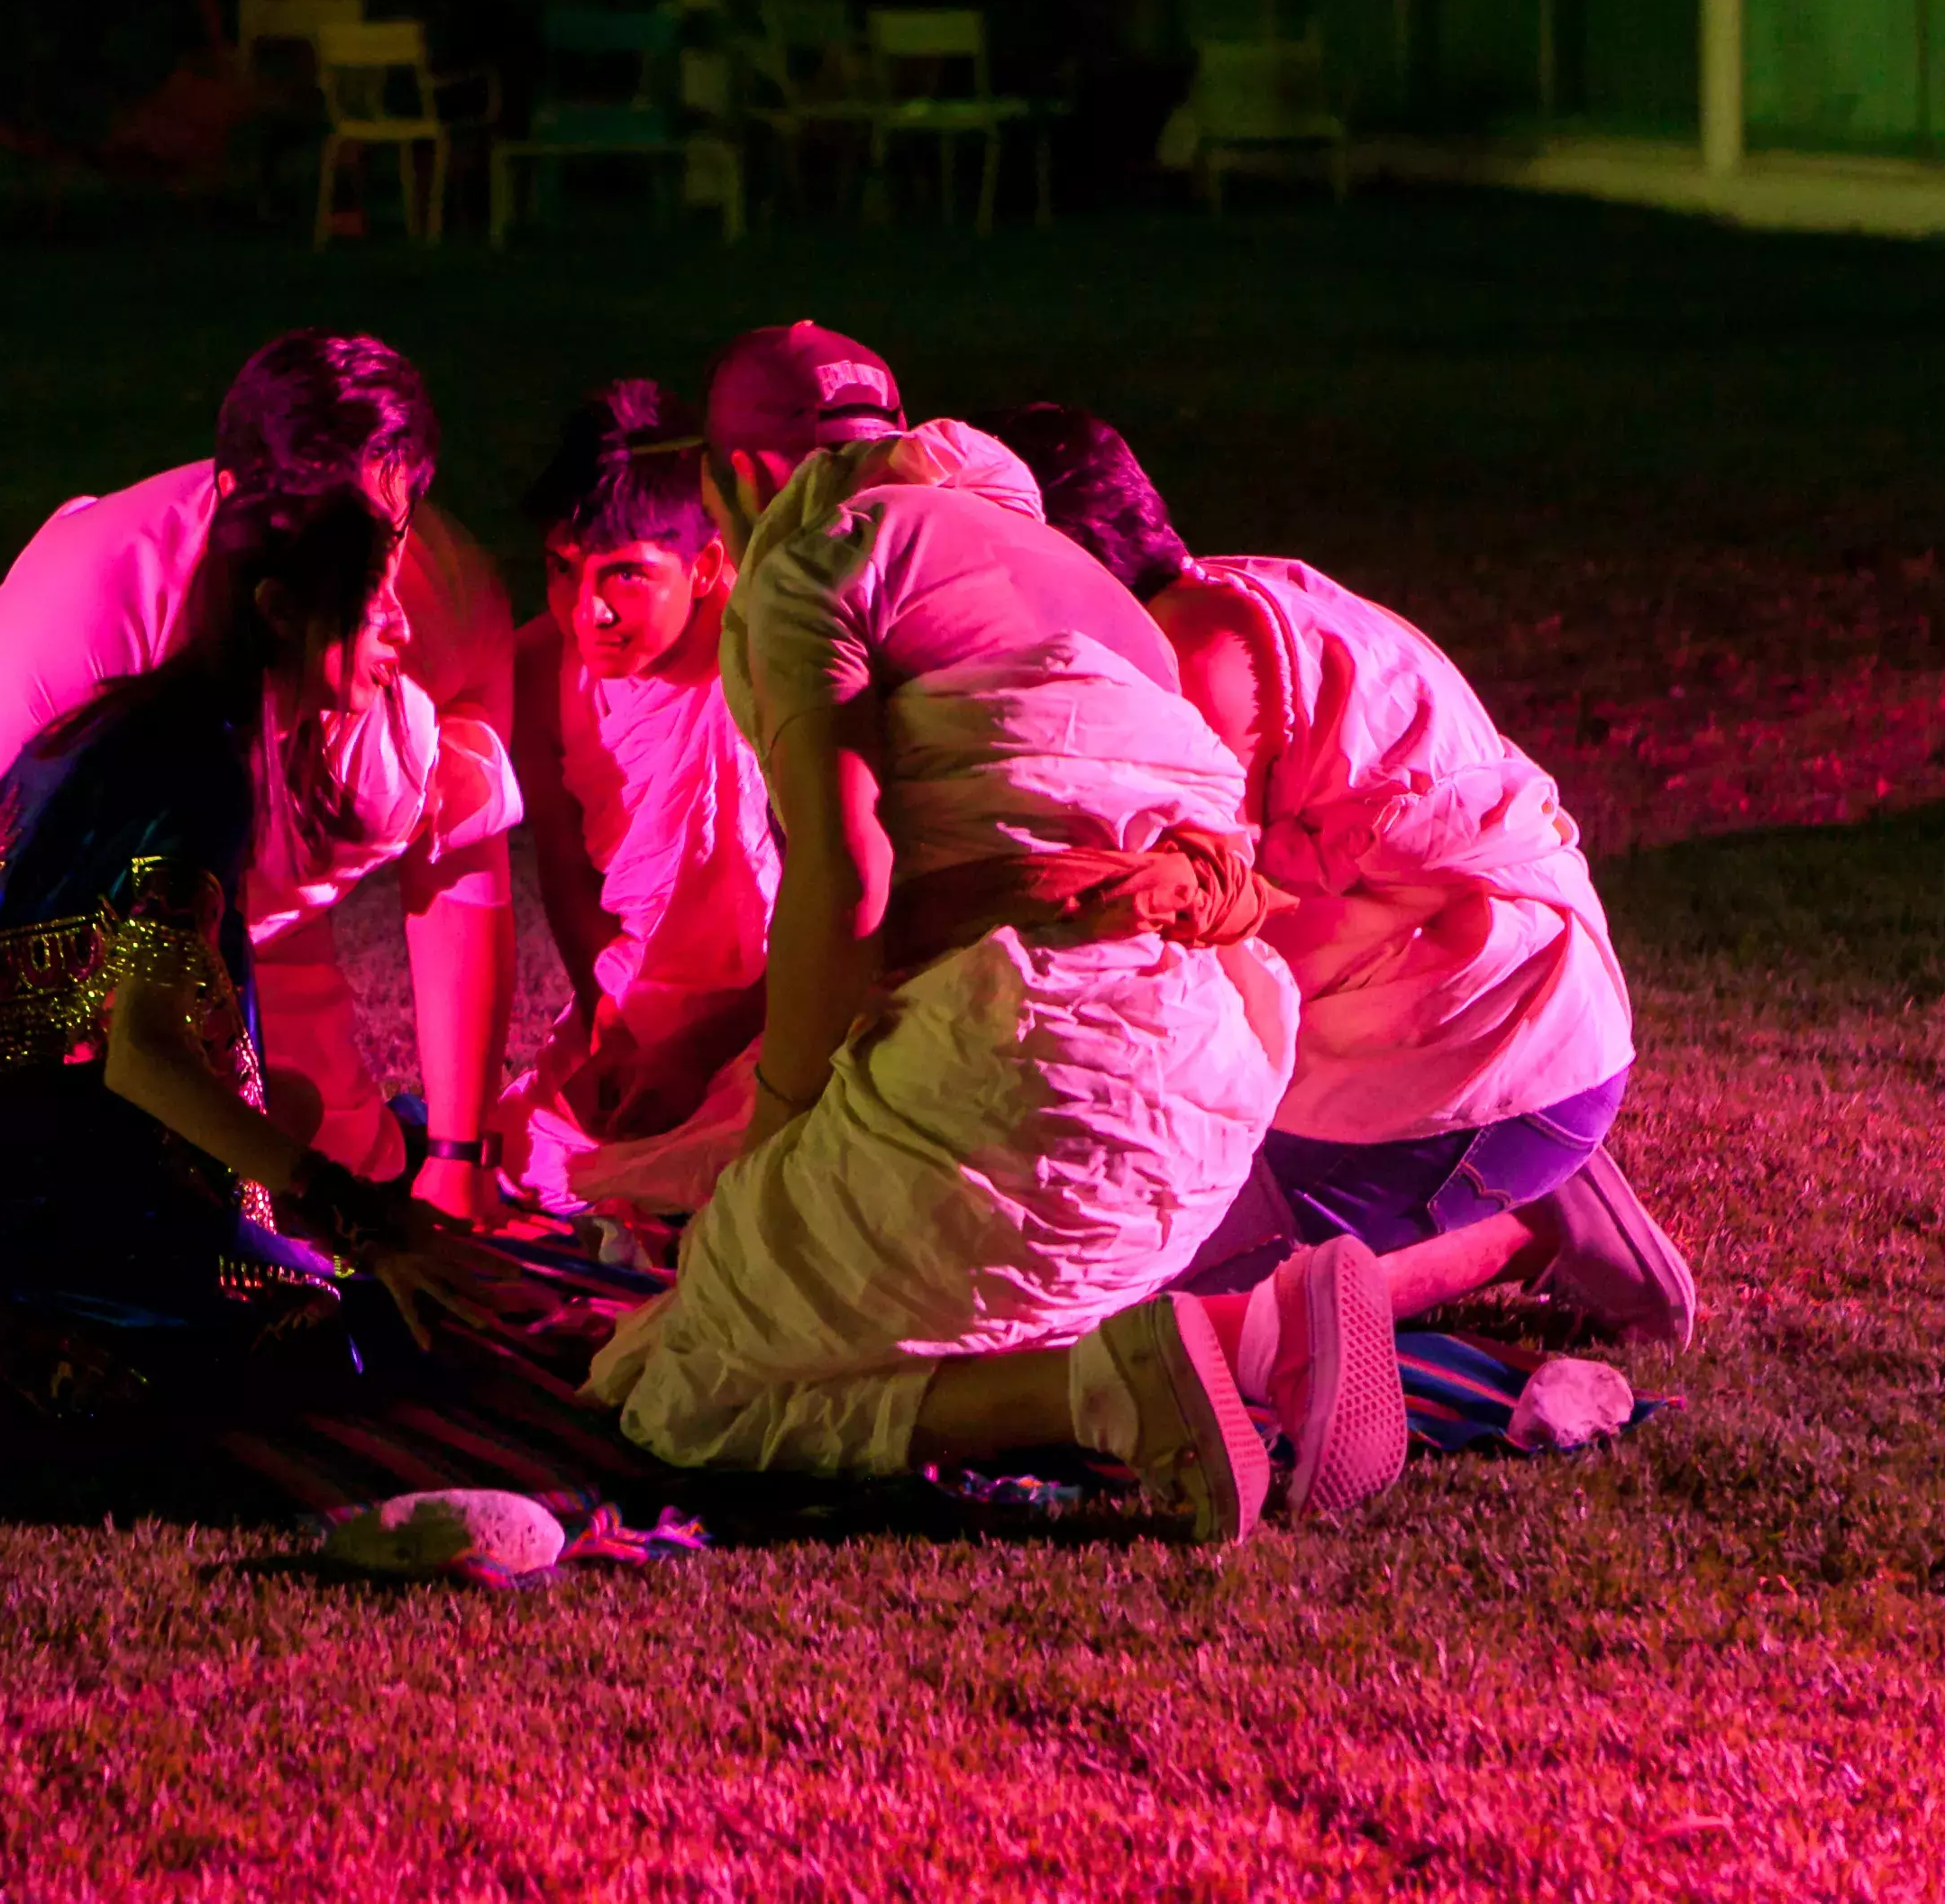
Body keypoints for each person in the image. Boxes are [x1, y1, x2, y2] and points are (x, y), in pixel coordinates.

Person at [586, 325, 1411, 1542]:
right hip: (1201, 1100)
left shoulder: (821, 554)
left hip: (1030, 1072)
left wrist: (775, 1133)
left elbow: (850, 877)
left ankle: (1103, 1395)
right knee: (868, 1305)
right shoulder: (1081, 578)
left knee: (683, 1390)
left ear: (745, 476)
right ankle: (1255, 1329)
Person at [0, 332, 522, 1230]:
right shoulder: (106, 641)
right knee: (170, 1191)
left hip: (201, 948)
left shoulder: (423, 615)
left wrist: (459, 1155)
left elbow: (460, 864)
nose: (390, 604)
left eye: (387, 539)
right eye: (348, 565)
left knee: (304, 1140)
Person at [0, 484, 503, 1443]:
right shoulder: (198, 772)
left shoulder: (148, 721)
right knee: (339, 1327)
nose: (401, 629)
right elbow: (144, 1059)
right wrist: (357, 1216)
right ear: (280, 612)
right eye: (371, 605)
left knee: (267, 1156)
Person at [977, 401, 1693, 1349]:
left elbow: (1184, 954)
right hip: (1494, 1014)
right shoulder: (1216, 600)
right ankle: (1534, 1182)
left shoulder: (1193, 668)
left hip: (1474, 1053)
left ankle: (1515, 1228)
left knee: (1126, 1307)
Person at [492, 381, 776, 1219]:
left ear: (705, 566)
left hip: (780, 1004)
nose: (589, 611)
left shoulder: (763, 661)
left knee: (760, 1160)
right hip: (635, 1002)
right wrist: (612, 1024)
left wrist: (700, 1048)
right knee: (531, 1160)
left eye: (626, 575)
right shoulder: (542, 670)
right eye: (562, 570)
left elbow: (836, 904)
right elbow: (565, 867)